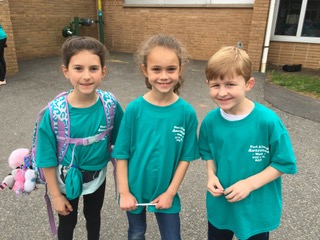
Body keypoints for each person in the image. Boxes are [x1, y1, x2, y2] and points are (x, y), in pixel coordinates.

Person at [199, 46, 297, 240]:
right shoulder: (210, 121)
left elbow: (283, 162)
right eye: (215, 85)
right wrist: (211, 175)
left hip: (256, 209)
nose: (222, 92)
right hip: (222, 205)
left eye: (230, 84)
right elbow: (208, 152)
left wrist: (249, 184)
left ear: (249, 84)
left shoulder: (267, 121)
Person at [112, 34, 200, 240]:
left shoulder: (186, 113)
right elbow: (121, 155)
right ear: (145, 70)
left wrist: (170, 193)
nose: (164, 76)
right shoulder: (134, 109)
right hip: (134, 190)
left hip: (166, 192)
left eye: (170, 69)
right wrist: (124, 192)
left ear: (180, 69)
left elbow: (185, 159)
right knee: (136, 233)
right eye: (156, 69)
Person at [36, 36, 124, 240]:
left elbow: (123, 142)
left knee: (93, 217)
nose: (86, 76)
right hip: (65, 178)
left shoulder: (110, 105)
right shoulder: (54, 112)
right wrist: (56, 195)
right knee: (68, 221)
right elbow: (46, 156)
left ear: (103, 71)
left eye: (93, 68)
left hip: (97, 176)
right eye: (78, 68)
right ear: (66, 71)